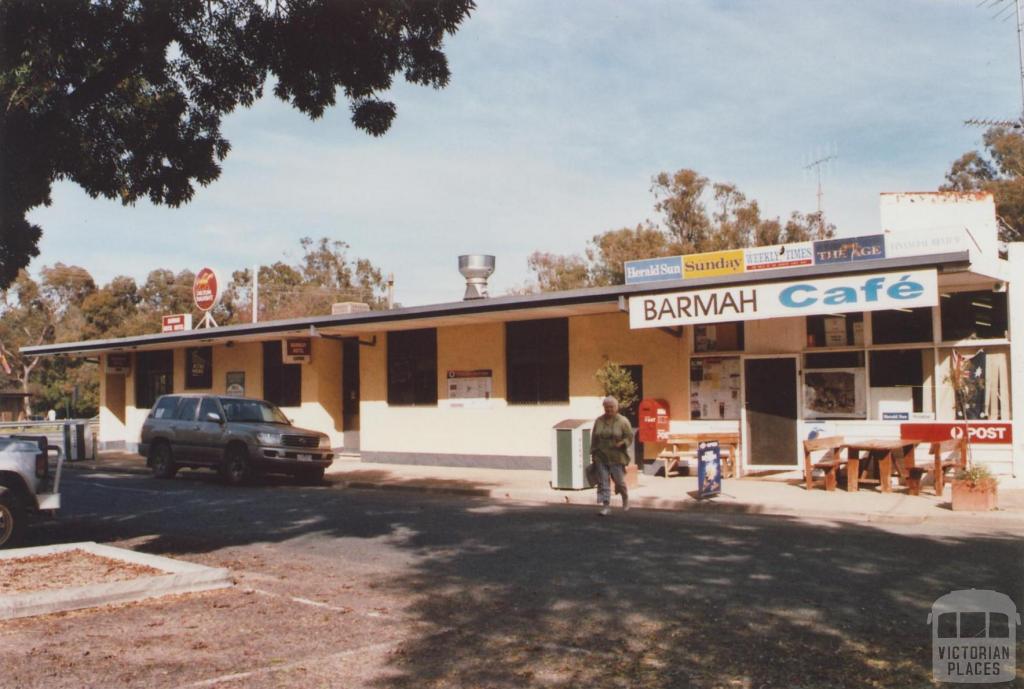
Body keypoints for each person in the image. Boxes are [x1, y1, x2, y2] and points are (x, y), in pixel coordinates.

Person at [590, 395, 633, 516]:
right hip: (601, 456)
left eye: (611, 407)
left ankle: (625, 497)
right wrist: (593, 452)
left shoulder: (623, 421)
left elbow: (629, 436)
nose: (608, 409)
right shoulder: (599, 421)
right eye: (606, 407)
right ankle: (606, 506)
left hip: (616, 456)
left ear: (616, 407)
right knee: (603, 482)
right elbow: (594, 438)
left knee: (619, 482)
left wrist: (623, 443)